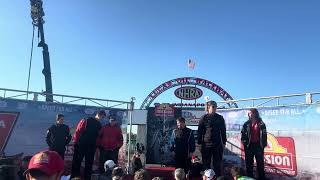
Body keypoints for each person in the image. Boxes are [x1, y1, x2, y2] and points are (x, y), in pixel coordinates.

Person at [71, 110, 106, 180]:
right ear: (99, 115)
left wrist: (96, 146)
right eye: (102, 117)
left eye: (103, 117)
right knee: (77, 162)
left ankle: (87, 178)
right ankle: (74, 178)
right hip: (81, 145)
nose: (102, 119)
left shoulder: (99, 125)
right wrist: (76, 142)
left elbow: (98, 137)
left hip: (91, 147)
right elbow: (78, 131)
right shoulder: (86, 120)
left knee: (89, 164)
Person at [197, 101, 226, 176]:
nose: (214, 108)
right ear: (208, 108)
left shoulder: (220, 118)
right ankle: (207, 178)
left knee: (217, 164)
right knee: (206, 165)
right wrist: (199, 143)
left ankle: (218, 178)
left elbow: (223, 131)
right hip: (206, 145)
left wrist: (224, 142)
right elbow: (199, 131)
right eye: (213, 106)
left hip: (217, 144)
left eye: (215, 106)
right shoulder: (203, 118)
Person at [241, 108, 267, 180]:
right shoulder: (246, 124)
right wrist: (244, 143)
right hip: (249, 146)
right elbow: (242, 134)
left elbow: (264, 135)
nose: (250, 114)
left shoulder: (261, 123)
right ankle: (250, 178)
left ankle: (262, 178)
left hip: (258, 146)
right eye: (249, 113)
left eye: (251, 113)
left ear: (255, 113)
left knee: (260, 164)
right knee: (249, 164)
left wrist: (263, 145)